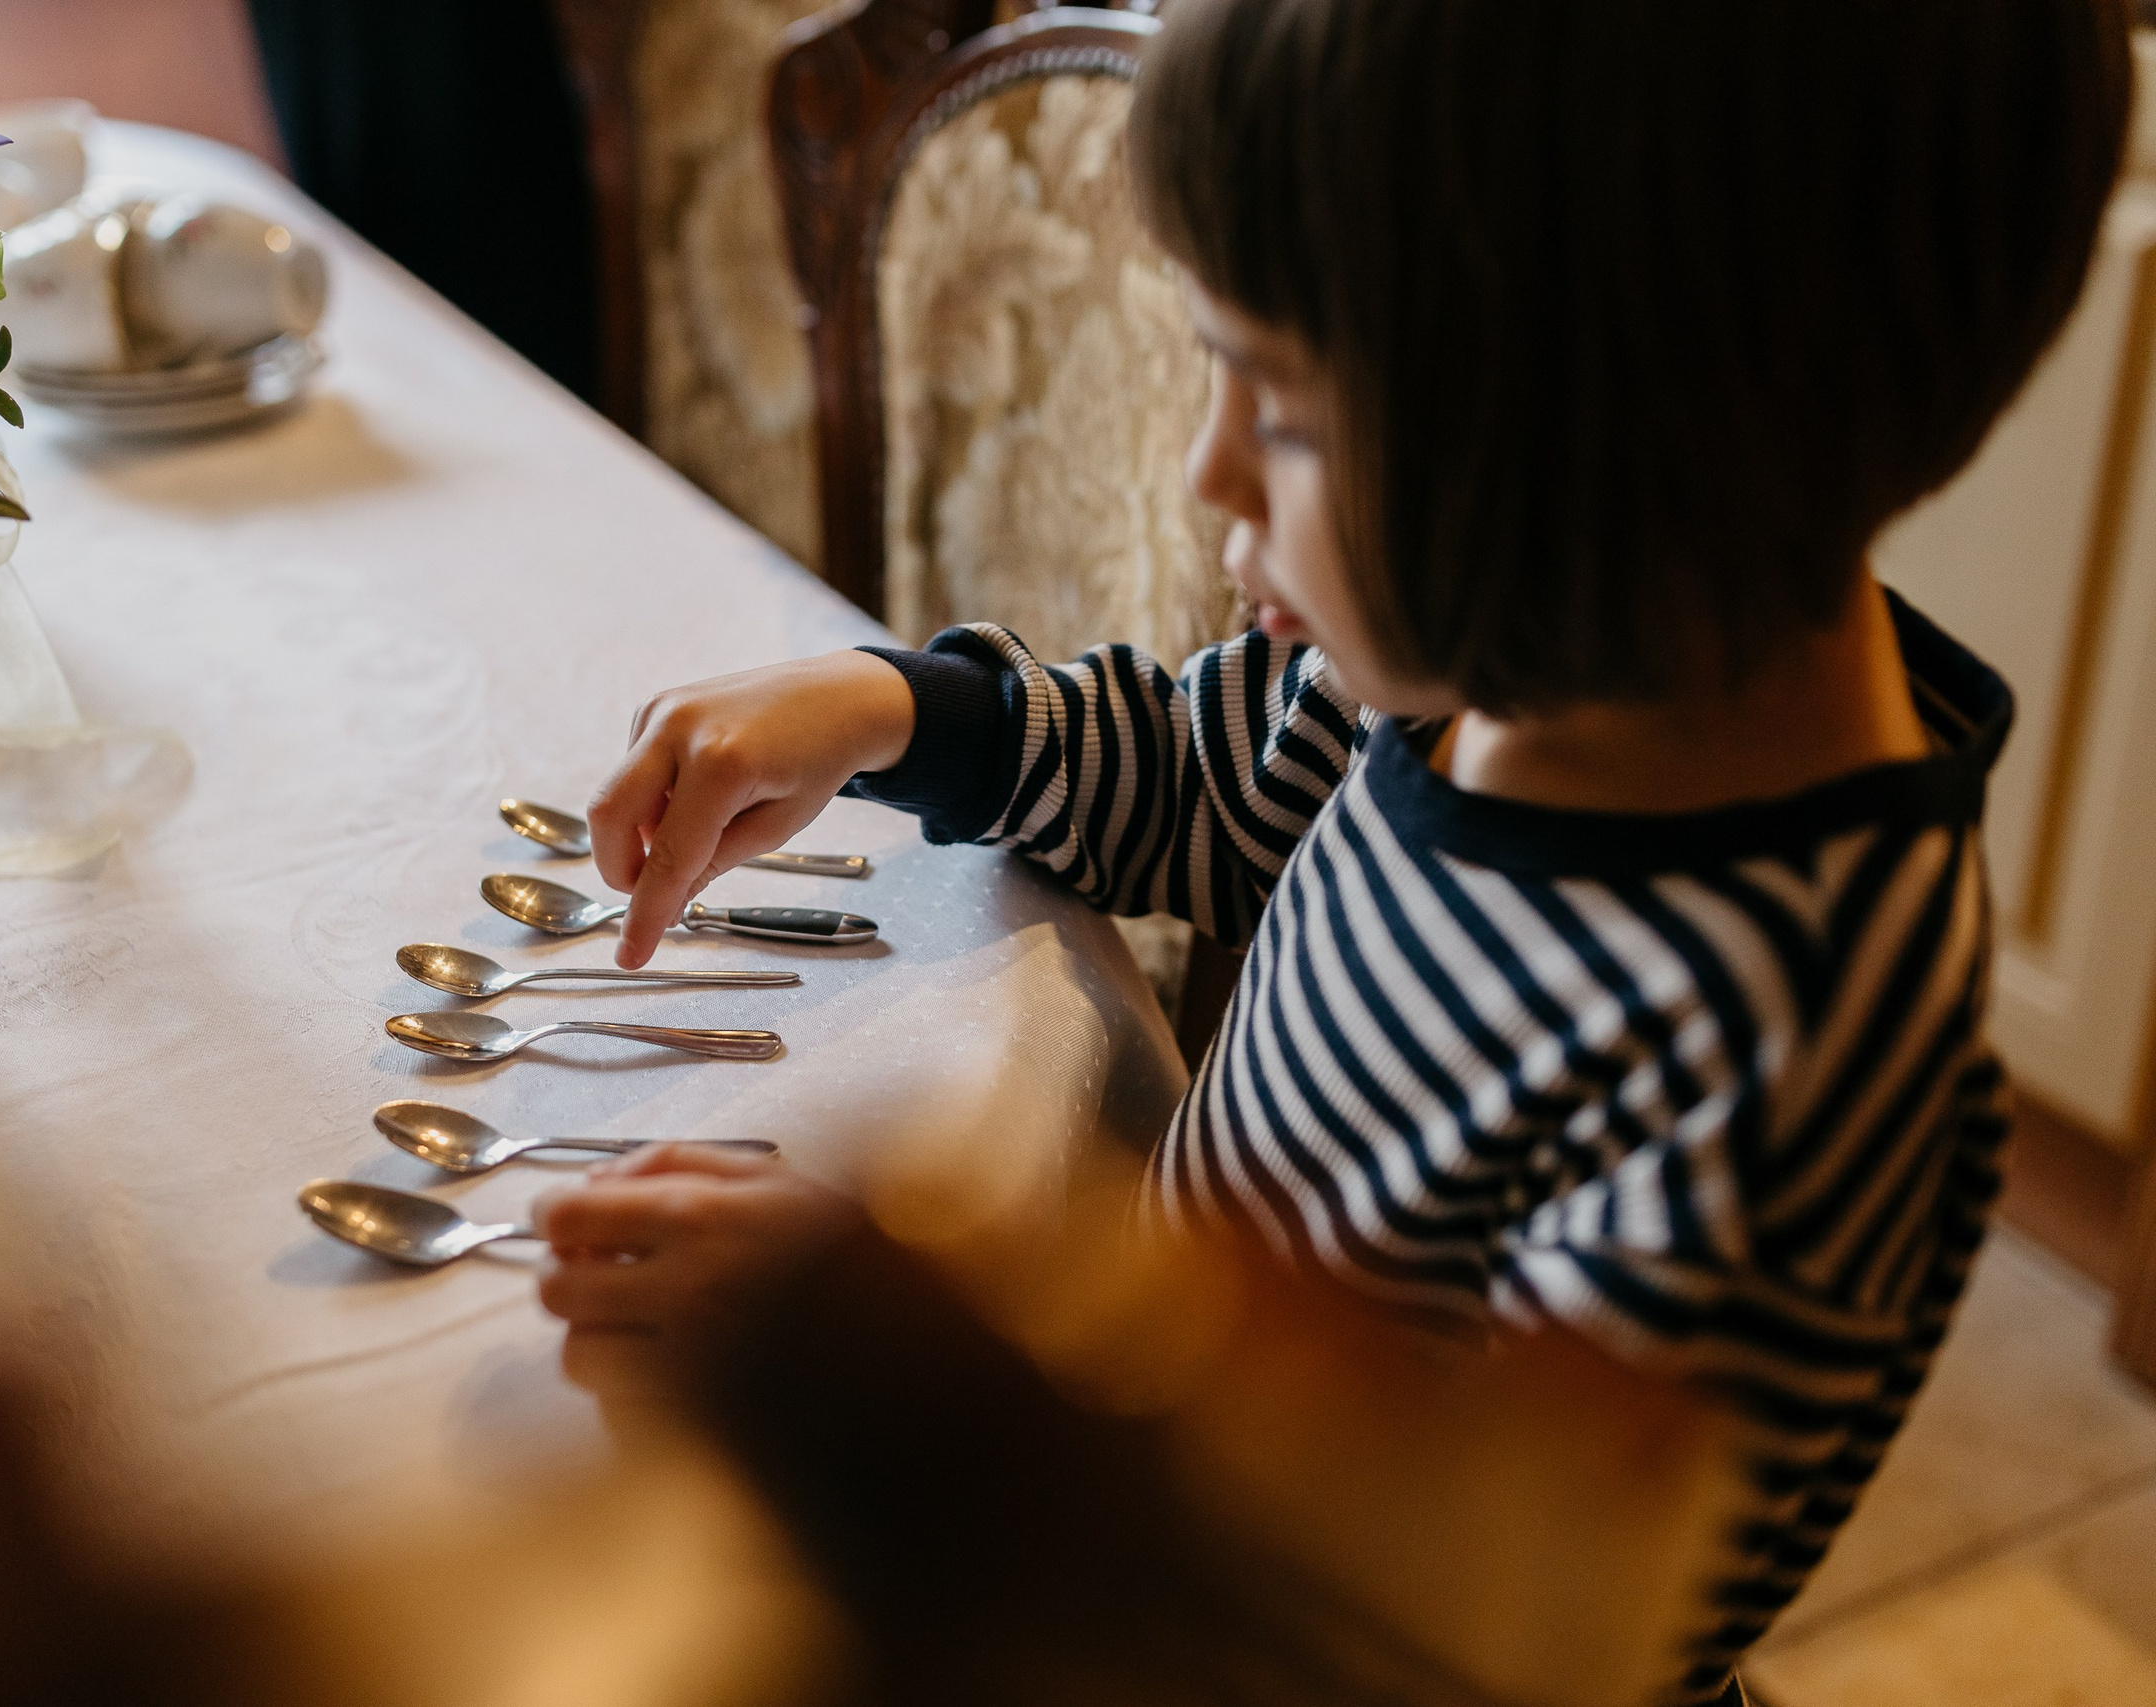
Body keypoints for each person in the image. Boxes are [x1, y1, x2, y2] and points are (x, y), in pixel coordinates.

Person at [533, 1, 2135, 1701]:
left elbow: (1457, 1614)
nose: (1205, 464)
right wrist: (898, 716)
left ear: (1609, 435)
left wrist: (962, 1379)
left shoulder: (1795, 1040)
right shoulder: (1516, 653)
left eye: (1284, 411)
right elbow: (1212, 774)